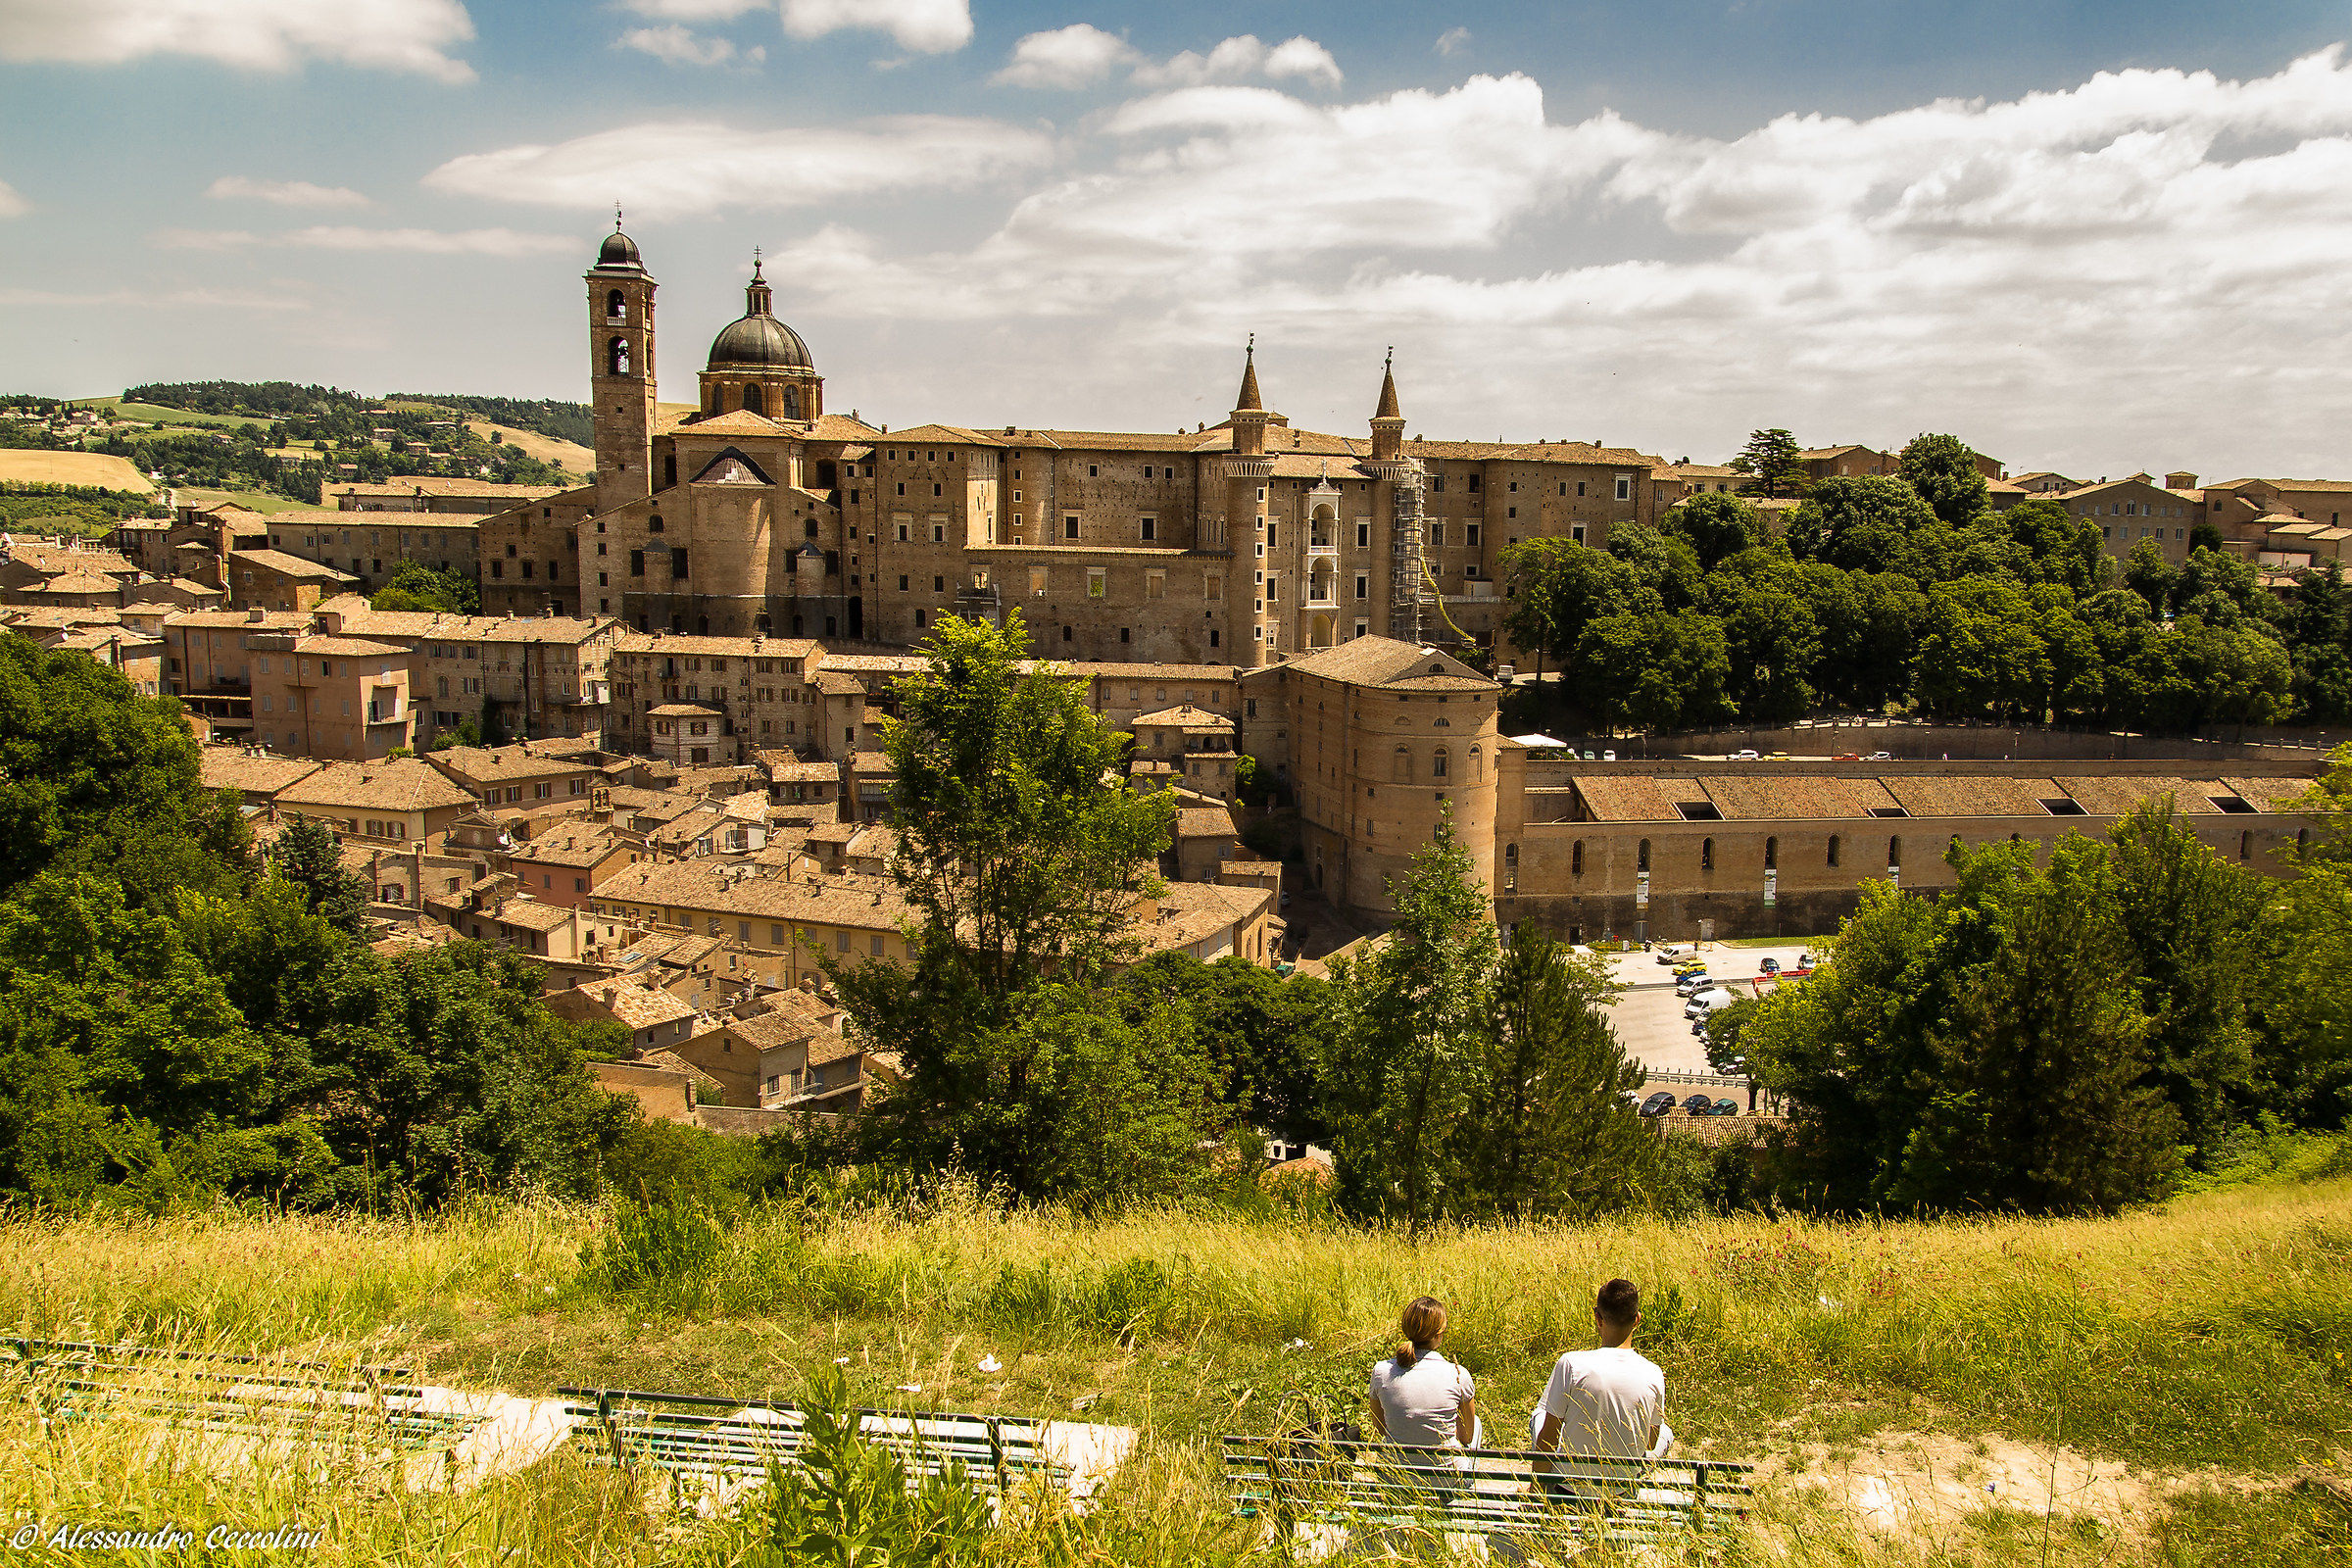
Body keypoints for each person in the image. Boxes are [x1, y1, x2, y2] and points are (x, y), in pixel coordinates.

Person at [1529, 1279, 1668, 1460]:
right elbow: (1649, 1443)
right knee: (1665, 1432)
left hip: (1568, 1485)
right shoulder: (1654, 1373)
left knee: (1540, 1414)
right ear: (1637, 1320)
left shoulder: (1571, 1364)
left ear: (1598, 1319)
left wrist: (1536, 1486)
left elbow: (1549, 1436)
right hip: (1624, 1486)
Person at [1366, 1296, 1480, 1449]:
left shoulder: (1381, 1371)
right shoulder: (1458, 1375)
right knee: (1476, 1424)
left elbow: (1381, 1428)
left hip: (1392, 1470)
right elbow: (1467, 1437)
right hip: (1446, 1470)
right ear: (1439, 1334)